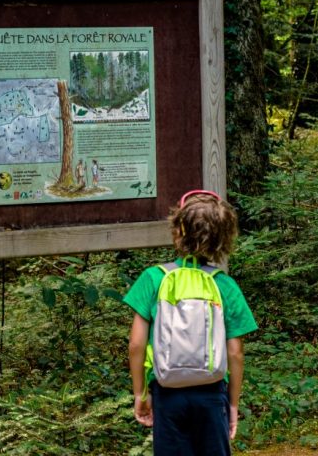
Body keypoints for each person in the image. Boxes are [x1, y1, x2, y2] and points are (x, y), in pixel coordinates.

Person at [123, 190, 258, 455]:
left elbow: (136, 345)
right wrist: (232, 405)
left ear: (178, 231)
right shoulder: (225, 285)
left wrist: (140, 394)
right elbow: (236, 353)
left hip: (167, 392)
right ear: (222, 237)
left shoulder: (153, 278)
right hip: (211, 394)